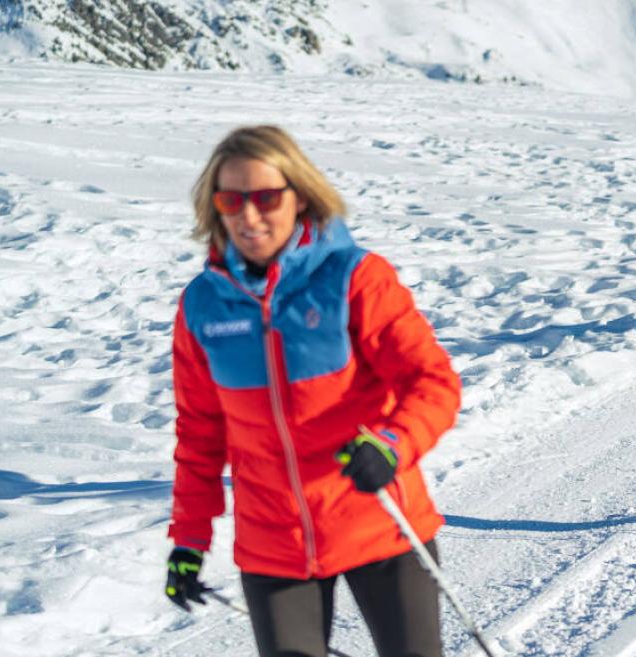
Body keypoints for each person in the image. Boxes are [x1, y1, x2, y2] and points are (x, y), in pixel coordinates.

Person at [163, 125, 461, 657]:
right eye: (232, 199)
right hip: (273, 544)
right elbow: (200, 434)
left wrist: (392, 444)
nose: (249, 216)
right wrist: (188, 539)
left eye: (266, 198)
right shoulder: (203, 308)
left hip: (379, 523)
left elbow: (432, 381)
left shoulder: (354, 278)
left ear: (299, 196)